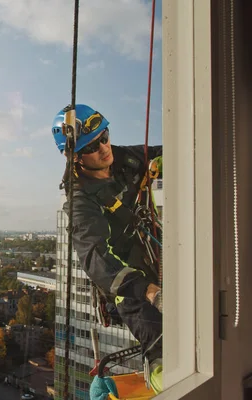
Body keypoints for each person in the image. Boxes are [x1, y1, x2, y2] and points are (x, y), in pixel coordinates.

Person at [51, 104, 163, 395]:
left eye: (105, 136)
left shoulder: (125, 159)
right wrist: (148, 290)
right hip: (132, 289)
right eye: (92, 146)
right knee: (166, 353)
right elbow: (96, 257)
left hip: (161, 258)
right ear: (74, 156)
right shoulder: (80, 202)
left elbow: (167, 151)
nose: (104, 148)